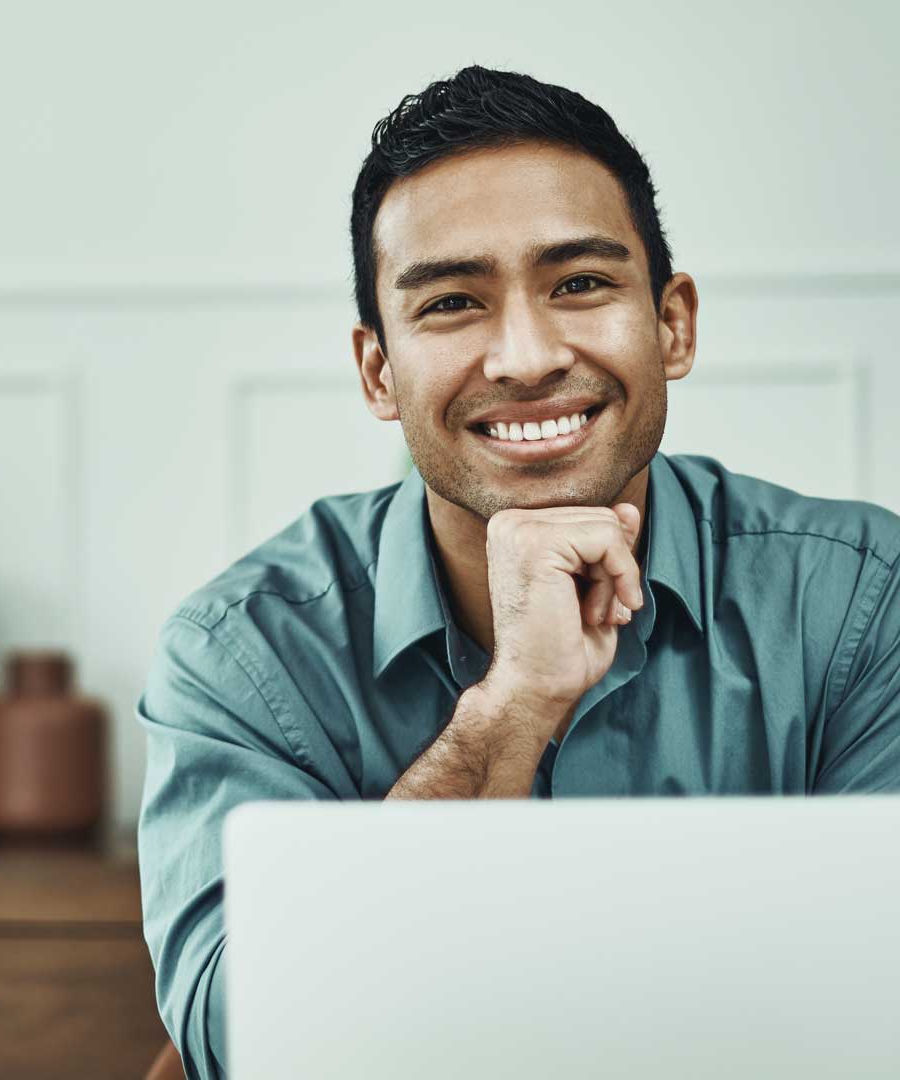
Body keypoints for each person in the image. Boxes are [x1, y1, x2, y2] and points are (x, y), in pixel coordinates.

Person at [136, 65, 900, 1079]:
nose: (527, 357)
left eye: (580, 284)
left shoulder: (862, 598)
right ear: (378, 370)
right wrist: (510, 709)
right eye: (453, 302)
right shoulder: (243, 653)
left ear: (673, 323)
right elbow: (244, 1040)